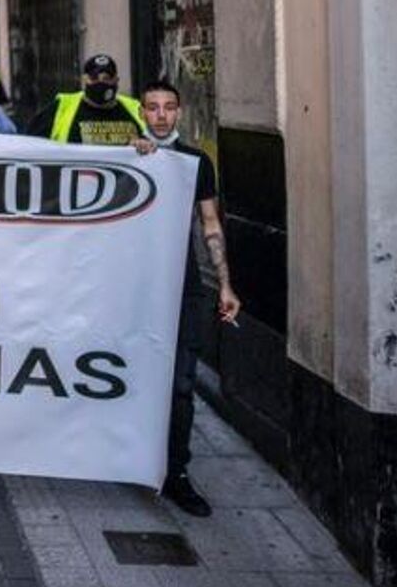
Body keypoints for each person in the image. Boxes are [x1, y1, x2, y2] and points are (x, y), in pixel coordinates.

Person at [134, 81, 243, 518]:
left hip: (182, 290)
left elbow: (211, 225)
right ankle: (133, 459)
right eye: (153, 108)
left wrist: (225, 284)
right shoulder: (130, 155)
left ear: (179, 113)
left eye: (168, 108)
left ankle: (176, 472)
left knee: (181, 386)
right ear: (142, 113)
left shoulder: (197, 162)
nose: (161, 115)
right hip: (134, 289)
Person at [24, 54, 145, 146]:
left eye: (107, 78)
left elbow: (158, 141)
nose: (101, 83)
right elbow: (30, 143)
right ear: (84, 80)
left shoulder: (136, 109)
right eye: (94, 78)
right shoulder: (62, 107)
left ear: (116, 81)